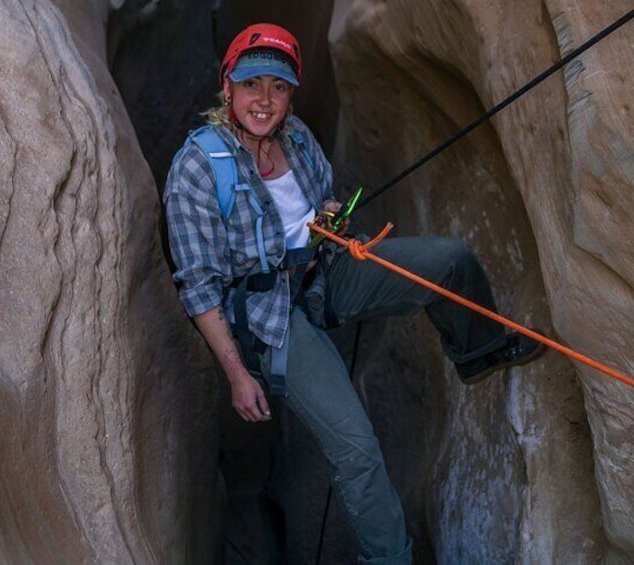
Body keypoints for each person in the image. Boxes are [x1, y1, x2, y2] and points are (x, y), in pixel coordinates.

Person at [164, 22, 545, 564]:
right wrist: (237, 374)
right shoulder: (197, 169)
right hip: (269, 318)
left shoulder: (297, 138)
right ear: (228, 88)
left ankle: (479, 351)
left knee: (449, 261)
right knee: (357, 449)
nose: (264, 100)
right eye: (252, 85)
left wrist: (336, 228)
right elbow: (199, 288)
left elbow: (325, 201)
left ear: (291, 92)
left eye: (277, 86)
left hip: (327, 272)